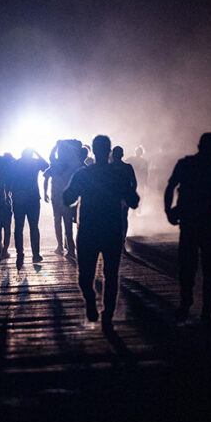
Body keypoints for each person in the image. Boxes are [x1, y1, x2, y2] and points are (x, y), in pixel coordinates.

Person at [164, 132, 211, 326]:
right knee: (210, 268)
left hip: (189, 221)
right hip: (210, 223)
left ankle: (185, 302)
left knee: (187, 264)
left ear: (198, 146)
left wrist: (169, 211)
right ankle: (206, 311)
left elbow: (170, 187)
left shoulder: (186, 164)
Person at [64, 135, 140, 327]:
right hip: (112, 229)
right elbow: (134, 201)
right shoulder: (118, 175)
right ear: (109, 152)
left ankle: (90, 301)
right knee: (111, 273)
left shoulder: (83, 174)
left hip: (88, 230)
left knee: (85, 275)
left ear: (94, 152)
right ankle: (108, 313)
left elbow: (67, 198)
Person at [9, 148, 49, 268]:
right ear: (31, 154)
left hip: (18, 199)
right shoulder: (34, 162)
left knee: (18, 227)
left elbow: (8, 180)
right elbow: (46, 166)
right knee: (34, 227)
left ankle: (19, 253)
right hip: (33, 198)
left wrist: (12, 193)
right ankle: (35, 254)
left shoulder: (15, 164)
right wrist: (37, 152)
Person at [43, 140, 83, 258]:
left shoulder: (55, 164)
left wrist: (56, 145)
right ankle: (70, 248)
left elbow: (46, 176)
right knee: (67, 222)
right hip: (66, 198)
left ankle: (60, 246)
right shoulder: (72, 165)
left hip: (56, 197)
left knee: (57, 221)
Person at [110, 146, 137, 247]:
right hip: (123, 196)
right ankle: (122, 240)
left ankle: (118, 240)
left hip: (113, 197)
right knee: (123, 218)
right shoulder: (127, 167)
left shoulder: (109, 167)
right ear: (122, 154)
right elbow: (134, 182)